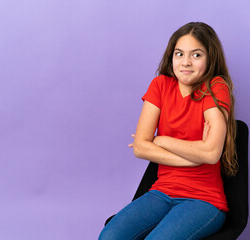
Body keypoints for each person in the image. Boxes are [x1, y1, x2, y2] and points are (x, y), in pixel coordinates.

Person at [98, 22, 238, 240]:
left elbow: (211, 154)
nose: (186, 62)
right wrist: (193, 157)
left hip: (204, 200)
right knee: (109, 237)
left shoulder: (216, 88)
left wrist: (160, 139)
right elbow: (140, 148)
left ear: (211, 58)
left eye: (196, 55)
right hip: (161, 192)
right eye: (179, 54)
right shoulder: (160, 85)